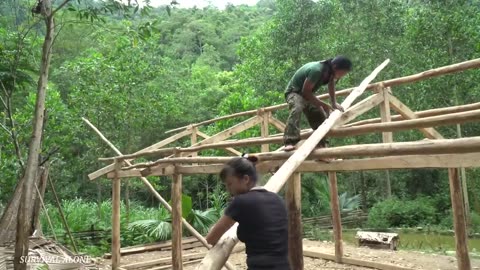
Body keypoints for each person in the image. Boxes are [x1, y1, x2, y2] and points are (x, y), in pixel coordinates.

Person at [206, 155, 290, 270]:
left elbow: (211, 238)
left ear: (245, 179)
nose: (228, 189)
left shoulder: (241, 202)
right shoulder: (277, 199)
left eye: (230, 184)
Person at [283, 56, 352, 152]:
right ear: (335, 67)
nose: (343, 75)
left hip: (306, 94)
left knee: (319, 116)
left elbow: (331, 85)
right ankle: (290, 141)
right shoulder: (317, 70)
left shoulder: (330, 71)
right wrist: (322, 104)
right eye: (343, 73)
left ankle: (322, 147)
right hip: (294, 92)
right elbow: (305, 92)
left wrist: (333, 103)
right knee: (297, 107)